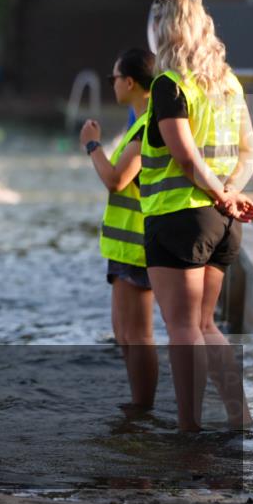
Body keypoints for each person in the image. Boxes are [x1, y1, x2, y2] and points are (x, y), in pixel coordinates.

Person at [141, 0, 253, 431]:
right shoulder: (228, 82)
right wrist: (229, 194)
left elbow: (187, 159)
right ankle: (240, 419)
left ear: (165, 29)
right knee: (207, 324)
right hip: (223, 224)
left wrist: (220, 195)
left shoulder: (169, 84)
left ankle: (188, 429)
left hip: (179, 220)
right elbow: (250, 151)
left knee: (182, 329)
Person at [79, 48, 157, 415]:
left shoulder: (146, 127)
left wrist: (92, 145)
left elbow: (116, 180)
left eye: (113, 78)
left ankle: (143, 408)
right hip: (122, 245)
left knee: (138, 336)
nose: (111, 85)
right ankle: (136, 406)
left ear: (129, 82)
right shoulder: (136, 125)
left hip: (138, 245)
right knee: (124, 336)